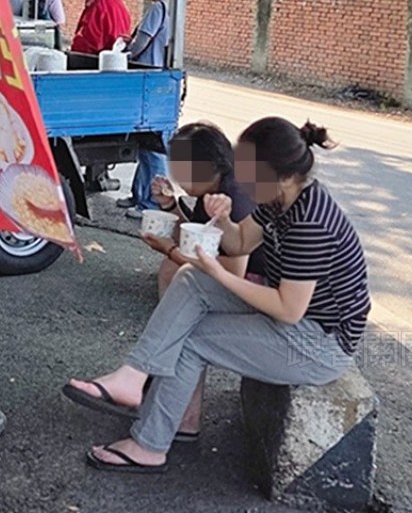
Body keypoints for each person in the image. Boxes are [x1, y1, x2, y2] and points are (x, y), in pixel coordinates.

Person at [63, 116, 371, 473]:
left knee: (193, 338)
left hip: (319, 343)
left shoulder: (311, 222)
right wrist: (223, 220)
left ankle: (150, 444)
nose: (242, 178)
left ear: (283, 174)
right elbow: (240, 242)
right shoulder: (280, 197)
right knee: (190, 280)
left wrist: (219, 274)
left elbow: (289, 309)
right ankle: (134, 376)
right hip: (295, 318)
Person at [137, 121, 264, 440]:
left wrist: (170, 250)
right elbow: (197, 239)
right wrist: (169, 206)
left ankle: (171, 404)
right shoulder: (214, 190)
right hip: (247, 281)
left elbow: (232, 270)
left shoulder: (236, 197)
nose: (177, 176)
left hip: (259, 288)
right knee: (176, 273)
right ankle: (173, 405)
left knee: (181, 285)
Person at [116, 0, 173, 218]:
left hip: (149, 81)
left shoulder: (156, 9)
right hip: (157, 81)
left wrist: (124, 55)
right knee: (145, 144)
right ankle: (140, 194)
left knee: (152, 147)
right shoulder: (168, 9)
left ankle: (150, 204)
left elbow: (142, 43)